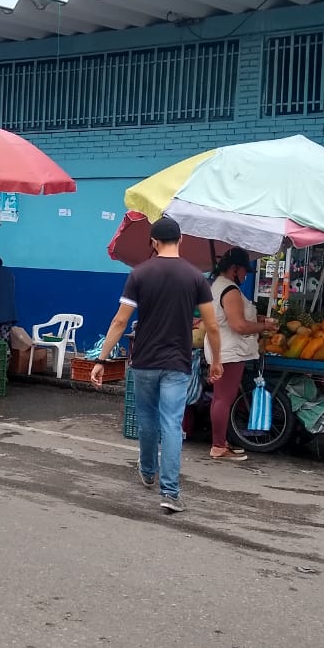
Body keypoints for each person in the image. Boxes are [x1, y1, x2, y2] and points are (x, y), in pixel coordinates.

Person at [90, 216, 223, 513]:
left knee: (148, 421)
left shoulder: (139, 274)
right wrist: (217, 361)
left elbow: (120, 320)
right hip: (177, 362)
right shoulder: (195, 277)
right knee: (172, 425)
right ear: (181, 240)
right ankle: (170, 493)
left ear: (153, 241)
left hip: (145, 361)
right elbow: (212, 327)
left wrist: (101, 359)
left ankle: (148, 472)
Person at [205, 246, 277, 463]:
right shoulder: (230, 291)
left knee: (221, 398)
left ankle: (221, 443)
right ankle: (218, 446)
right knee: (223, 398)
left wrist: (259, 321)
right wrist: (264, 327)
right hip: (230, 351)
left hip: (221, 348)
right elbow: (239, 325)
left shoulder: (217, 285)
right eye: (244, 270)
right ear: (234, 269)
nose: (246, 275)